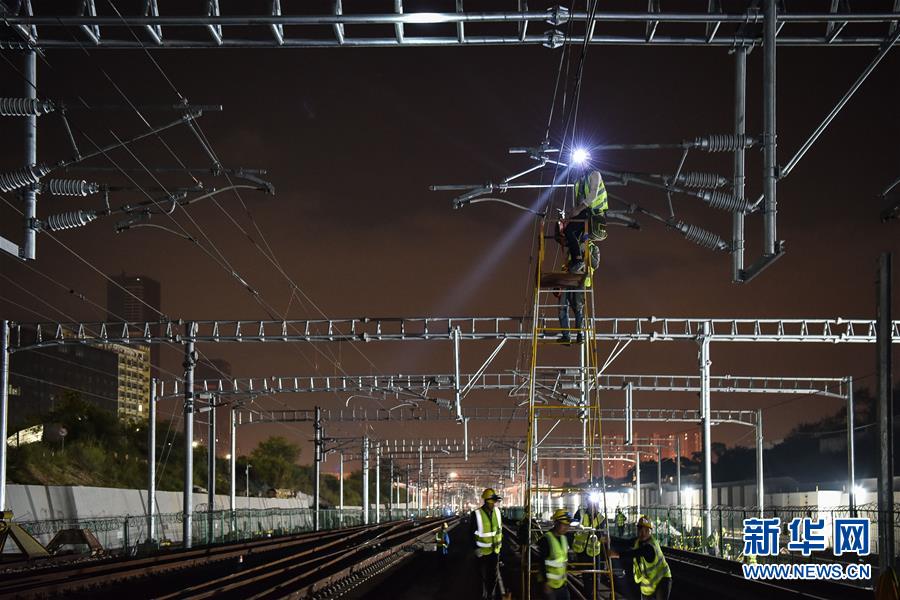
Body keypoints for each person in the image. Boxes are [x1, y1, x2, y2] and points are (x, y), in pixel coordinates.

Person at [609, 516, 672, 600]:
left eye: (646, 530)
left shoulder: (650, 547)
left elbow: (635, 553)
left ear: (650, 531)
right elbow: (625, 542)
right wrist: (609, 538)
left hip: (662, 580)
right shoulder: (638, 541)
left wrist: (617, 554)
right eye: (640, 530)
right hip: (649, 583)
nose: (643, 533)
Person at [564, 170, 608, 273]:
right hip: (587, 213)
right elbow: (579, 202)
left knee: (569, 230)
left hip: (594, 212)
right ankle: (577, 261)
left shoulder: (594, 175)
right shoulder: (578, 182)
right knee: (571, 233)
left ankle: (578, 260)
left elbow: (593, 195)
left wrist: (577, 210)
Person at [470, 488, 503, 599]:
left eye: (495, 502)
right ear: (486, 501)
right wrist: (475, 548)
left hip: (495, 551)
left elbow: (499, 530)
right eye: (492, 502)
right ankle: (482, 595)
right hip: (482, 552)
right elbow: (471, 533)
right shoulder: (476, 514)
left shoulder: (498, 512)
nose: (494, 504)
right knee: (481, 577)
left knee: (493, 576)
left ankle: (490, 594)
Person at [537, 509, 573, 599]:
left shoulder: (564, 538)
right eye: (564, 524)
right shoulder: (546, 539)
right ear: (556, 523)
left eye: (568, 525)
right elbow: (541, 562)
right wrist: (545, 583)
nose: (566, 527)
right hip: (549, 585)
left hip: (562, 584)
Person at [572, 501, 607, 593]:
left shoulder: (601, 518)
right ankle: (588, 594)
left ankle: (595, 595)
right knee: (586, 575)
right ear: (588, 503)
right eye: (591, 503)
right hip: (582, 550)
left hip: (595, 552)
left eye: (595, 504)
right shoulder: (580, 514)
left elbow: (601, 534)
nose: (593, 506)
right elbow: (572, 528)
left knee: (596, 576)